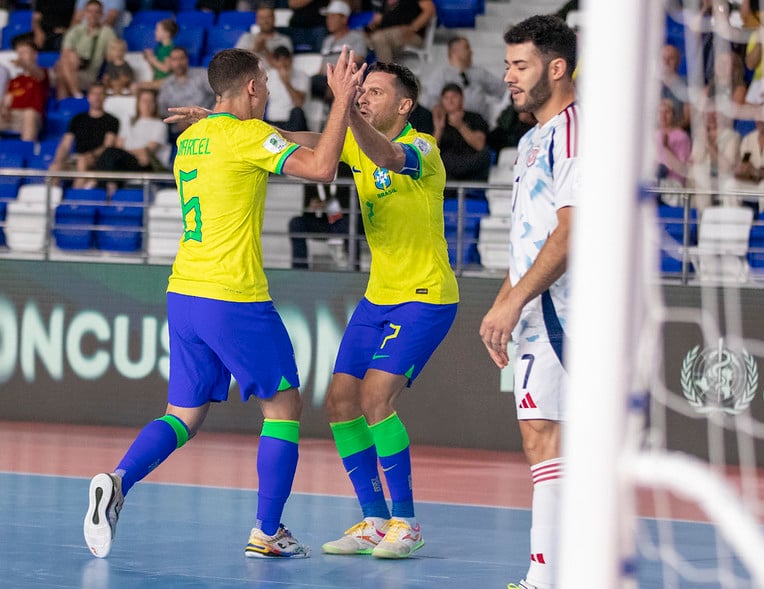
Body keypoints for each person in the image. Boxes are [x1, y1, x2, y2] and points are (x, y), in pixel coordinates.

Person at [165, 59, 458, 561]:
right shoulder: (354, 141)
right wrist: (220, 121)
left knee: (375, 397)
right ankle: (374, 520)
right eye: (361, 91)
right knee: (340, 403)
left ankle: (407, 522)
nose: (364, 97)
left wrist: (346, 108)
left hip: (425, 296)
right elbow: (284, 137)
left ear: (404, 105)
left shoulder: (423, 149)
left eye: (376, 92)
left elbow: (388, 156)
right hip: (379, 297)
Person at [82, 46, 365, 560]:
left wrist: (220, 118)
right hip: (233, 295)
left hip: (184, 293)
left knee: (182, 415)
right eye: (266, 85)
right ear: (253, 87)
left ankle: (118, 481)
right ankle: (267, 532)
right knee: (283, 406)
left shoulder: (191, 137)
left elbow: (282, 138)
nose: (269, 92)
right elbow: (323, 167)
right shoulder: (246, 136)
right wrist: (342, 98)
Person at [478, 15, 577, 589]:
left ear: (556, 68)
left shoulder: (575, 133)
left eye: (521, 65)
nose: (509, 76)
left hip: (571, 309)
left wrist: (514, 303)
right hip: (539, 306)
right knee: (543, 438)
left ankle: (545, 578)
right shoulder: (531, 139)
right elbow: (532, 239)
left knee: (547, 435)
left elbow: (572, 232)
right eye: (508, 65)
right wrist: (505, 304)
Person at [90, 88, 170, 194]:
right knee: (110, 154)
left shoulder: (160, 125)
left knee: (111, 154)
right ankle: (108, 185)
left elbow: (147, 150)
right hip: (127, 160)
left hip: (146, 164)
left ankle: (97, 184)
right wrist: (126, 154)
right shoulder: (129, 122)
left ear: (155, 104)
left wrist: (125, 153)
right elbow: (119, 145)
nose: (147, 105)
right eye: (144, 101)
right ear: (138, 103)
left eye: (150, 101)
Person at [421, 36, 508, 125]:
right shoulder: (441, 74)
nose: (471, 51)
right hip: (451, 124)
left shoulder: (480, 72)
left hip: (479, 123)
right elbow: (433, 99)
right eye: (467, 48)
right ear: (454, 52)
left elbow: (501, 89)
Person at [49, 82, 120, 189]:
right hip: (76, 158)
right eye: (94, 94)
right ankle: (53, 196)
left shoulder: (112, 121)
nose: (97, 97)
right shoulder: (77, 119)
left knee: (82, 162)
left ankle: (75, 195)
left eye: (100, 94)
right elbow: (65, 144)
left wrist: (89, 156)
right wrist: (58, 160)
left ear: (105, 97)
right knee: (55, 168)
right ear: (89, 97)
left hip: (97, 160)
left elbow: (107, 146)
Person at [432, 82, 492, 199]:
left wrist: (460, 125)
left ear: (462, 99)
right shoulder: (438, 120)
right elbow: (430, 151)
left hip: (471, 167)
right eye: (446, 98)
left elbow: (480, 145)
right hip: (448, 170)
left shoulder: (475, 118)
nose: (450, 101)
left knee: (485, 154)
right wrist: (439, 128)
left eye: (454, 97)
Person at [55, 0, 118, 99]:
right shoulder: (75, 30)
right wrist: (74, 58)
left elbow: (113, 55)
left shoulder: (107, 32)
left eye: (96, 12)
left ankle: (66, 102)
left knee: (61, 74)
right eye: (90, 11)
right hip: (73, 68)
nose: (93, 15)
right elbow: (65, 53)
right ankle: (76, 95)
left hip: (90, 74)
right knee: (64, 65)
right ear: (84, 13)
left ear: (102, 14)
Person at [311, 0, 368, 103]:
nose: (329, 20)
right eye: (328, 17)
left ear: (344, 19)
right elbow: (322, 67)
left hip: (346, 79)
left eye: (333, 17)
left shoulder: (357, 37)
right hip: (326, 80)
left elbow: (358, 61)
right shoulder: (327, 40)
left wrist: (335, 81)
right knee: (310, 81)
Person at [157, 46, 215, 138]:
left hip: (207, 123)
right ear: (170, 62)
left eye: (182, 58)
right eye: (175, 59)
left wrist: (208, 115)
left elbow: (219, 94)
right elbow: (162, 110)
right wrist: (182, 118)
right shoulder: (166, 84)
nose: (178, 63)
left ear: (187, 60)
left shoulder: (202, 75)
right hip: (178, 129)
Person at [0, 36, 49, 142]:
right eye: (19, 53)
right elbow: (8, 98)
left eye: (25, 52)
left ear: (35, 55)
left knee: (29, 113)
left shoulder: (42, 73)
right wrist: (4, 108)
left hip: (32, 117)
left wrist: (24, 64)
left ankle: (27, 148)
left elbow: (37, 73)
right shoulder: (15, 80)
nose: (21, 55)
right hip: (11, 116)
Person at [365, 0, 436, 64]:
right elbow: (389, 17)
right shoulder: (385, 3)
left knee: (378, 38)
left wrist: (413, 27)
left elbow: (429, 11)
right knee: (362, 37)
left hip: (412, 35)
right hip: (389, 32)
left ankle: (387, 72)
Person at [264, 46, 310, 132]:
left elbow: (299, 103)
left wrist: (286, 82)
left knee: (298, 112)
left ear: (291, 60)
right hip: (273, 122)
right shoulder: (267, 76)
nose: (282, 63)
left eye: (285, 59)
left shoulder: (301, 75)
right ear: (274, 61)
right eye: (279, 60)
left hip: (293, 122)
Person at [235, 3, 294, 69]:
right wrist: (255, 50)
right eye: (262, 18)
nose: (265, 21)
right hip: (251, 74)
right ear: (257, 20)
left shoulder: (284, 40)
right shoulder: (246, 37)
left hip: (274, 74)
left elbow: (285, 66)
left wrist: (265, 49)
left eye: (268, 17)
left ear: (274, 19)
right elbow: (236, 62)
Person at [142, 18, 178, 87]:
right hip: (157, 79)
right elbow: (155, 69)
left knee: (136, 86)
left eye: (157, 30)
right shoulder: (159, 48)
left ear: (167, 33)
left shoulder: (169, 49)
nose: (155, 32)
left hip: (166, 81)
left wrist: (152, 59)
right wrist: (149, 59)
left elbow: (166, 69)